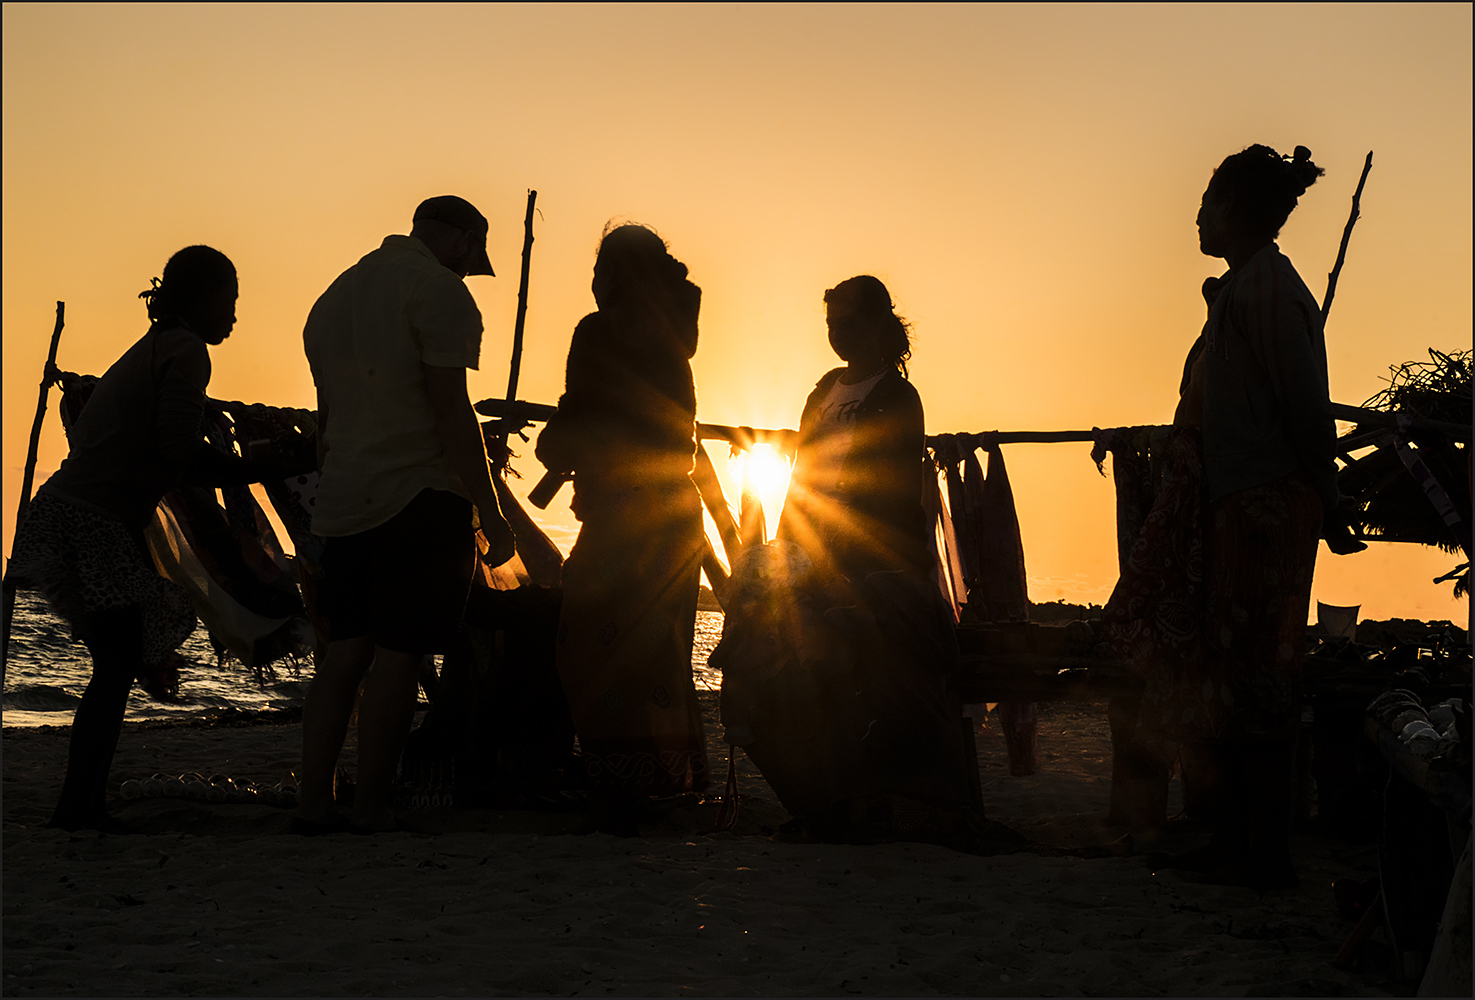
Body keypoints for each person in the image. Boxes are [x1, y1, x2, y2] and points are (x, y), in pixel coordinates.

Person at [1103, 145, 1365, 887]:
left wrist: (1331, 500)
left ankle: (1261, 851)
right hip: (1232, 507)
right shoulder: (1242, 292)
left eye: (1207, 199)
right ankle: (1235, 841)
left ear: (1234, 209)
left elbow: (1305, 414)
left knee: (1259, 680)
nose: (1196, 213)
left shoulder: (1272, 296)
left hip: (1262, 509)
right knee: (1227, 672)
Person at [716, 275, 981, 849]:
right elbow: (804, 481)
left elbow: (883, 491)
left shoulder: (897, 396)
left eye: (847, 323)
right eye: (830, 324)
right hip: (812, 550)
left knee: (847, 649)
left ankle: (866, 792)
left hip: (874, 562)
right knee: (754, 650)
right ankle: (817, 791)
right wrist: (786, 548)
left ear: (875, 324)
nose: (837, 334)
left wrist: (835, 558)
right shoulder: (823, 392)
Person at [7, 245, 260, 832]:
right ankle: (78, 808)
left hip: (72, 512)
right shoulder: (186, 351)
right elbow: (179, 452)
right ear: (200, 302)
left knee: (114, 665)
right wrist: (260, 466)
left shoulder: (156, 347)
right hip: (89, 517)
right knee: (116, 666)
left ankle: (82, 803)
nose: (233, 316)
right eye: (228, 303)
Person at [294, 195, 516, 834]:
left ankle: (313, 806)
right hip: (419, 496)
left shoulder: (334, 298)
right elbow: (450, 411)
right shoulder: (441, 294)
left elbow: (327, 419)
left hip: (345, 497)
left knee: (346, 653)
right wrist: (490, 511)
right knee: (399, 653)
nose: (471, 273)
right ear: (460, 241)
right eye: (472, 260)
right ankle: (369, 809)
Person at [534, 223, 709, 836]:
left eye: (600, 268)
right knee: (652, 657)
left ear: (615, 274)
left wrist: (560, 444)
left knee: (589, 648)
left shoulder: (600, 331)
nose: (593, 281)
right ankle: (660, 785)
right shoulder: (671, 334)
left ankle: (625, 787)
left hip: (624, 515)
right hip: (670, 515)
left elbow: (584, 408)